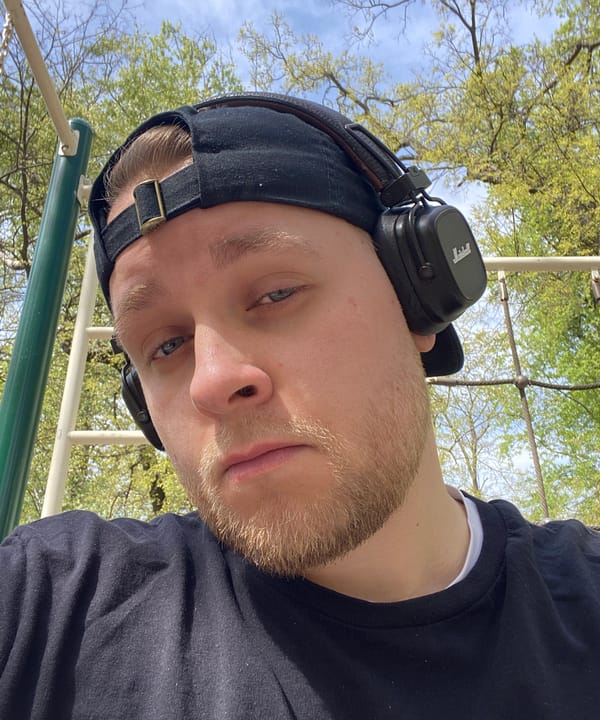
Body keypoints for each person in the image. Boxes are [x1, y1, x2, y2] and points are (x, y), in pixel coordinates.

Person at [1, 92, 599, 719]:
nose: (211, 380)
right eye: (168, 343)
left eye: (277, 293)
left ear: (416, 294)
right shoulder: (48, 610)